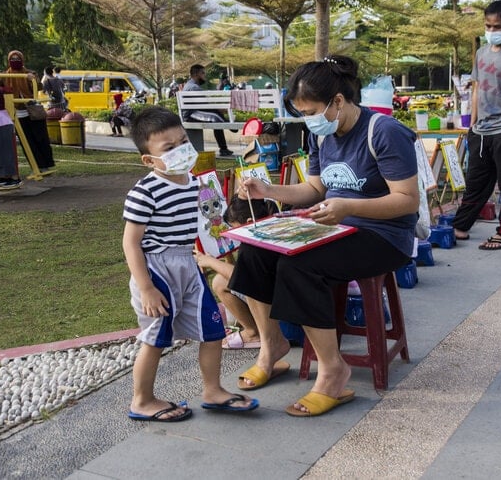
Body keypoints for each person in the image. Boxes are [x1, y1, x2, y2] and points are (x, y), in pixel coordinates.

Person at [227, 55, 419, 417]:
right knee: (254, 253)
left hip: (384, 236)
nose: (308, 120)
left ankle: (333, 370)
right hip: (337, 226)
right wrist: (267, 191)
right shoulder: (322, 135)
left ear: (339, 102)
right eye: (301, 112)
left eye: (311, 110)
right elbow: (315, 188)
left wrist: (348, 208)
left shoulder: (384, 132)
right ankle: (273, 347)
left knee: (301, 268)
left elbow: (407, 202)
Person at [123, 106, 259, 422]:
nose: (182, 152)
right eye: (169, 148)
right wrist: (145, 287)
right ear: (149, 159)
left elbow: (212, 218)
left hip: (188, 264)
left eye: (183, 142)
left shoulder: (194, 182)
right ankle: (141, 400)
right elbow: (131, 243)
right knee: (155, 338)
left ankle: (213, 391)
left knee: (213, 330)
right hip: (157, 270)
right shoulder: (144, 192)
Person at [451, 0, 501, 251]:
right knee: (476, 181)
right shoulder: (481, 52)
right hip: (481, 130)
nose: (491, 30)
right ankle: (461, 226)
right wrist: (473, 121)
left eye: (497, 26)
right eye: (487, 25)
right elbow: (477, 89)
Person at [193, 195, 278, 350]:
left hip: (279, 315)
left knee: (219, 282)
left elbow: (243, 277)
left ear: (248, 223)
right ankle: (257, 331)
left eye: (235, 228)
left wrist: (210, 261)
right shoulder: (273, 229)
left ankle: (255, 333)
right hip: (283, 303)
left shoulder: (255, 247)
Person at [2, 50, 56, 172]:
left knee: (40, 138)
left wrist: (34, 79)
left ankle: (45, 164)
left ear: (22, 60)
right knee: (27, 141)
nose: (15, 62)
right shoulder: (5, 75)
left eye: (18, 59)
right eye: (13, 59)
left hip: (32, 110)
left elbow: (39, 86)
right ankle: (35, 166)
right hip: (18, 112)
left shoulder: (30, 73)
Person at [181, 64, 234, 158]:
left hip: (194, 112)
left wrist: (218, 110)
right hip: (191, 115)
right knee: (215, 118)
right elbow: (205, 105)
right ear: (196, 74)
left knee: (216, 115)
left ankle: (224, 147)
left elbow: (205, 105)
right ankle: (229, 127)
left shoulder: (191, 85)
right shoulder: (193, 87)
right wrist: (219, 110)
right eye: (203, 73)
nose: (205, 75)